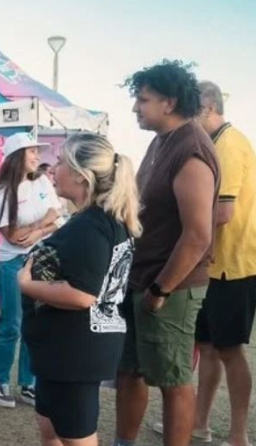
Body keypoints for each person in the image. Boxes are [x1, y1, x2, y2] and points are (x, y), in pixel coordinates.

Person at [114, 61, 220, 446]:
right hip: (143, 279)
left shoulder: (191, 150)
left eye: (142, 100)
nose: (135, 108)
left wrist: (161, 290)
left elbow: (197, 235)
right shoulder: (162, 141)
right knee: (130, 371)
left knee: (173, 380)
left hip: (169, 286)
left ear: (169, 102)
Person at [19, 133, 142, 446]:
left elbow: (81, 295)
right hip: (66, 351)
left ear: (79, 174)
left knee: (77, 437)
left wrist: (27, 285)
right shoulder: (105, 221)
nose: (53, 169)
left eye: (60, 162)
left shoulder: (91, 226)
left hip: (74, 353)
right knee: (52, 429)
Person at [152, 81, 256, 446]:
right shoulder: (221, 142)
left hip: (231, 264)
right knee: (209, 346)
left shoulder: (227, 146)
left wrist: (180, 231)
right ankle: (199, 423)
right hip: (217, 264)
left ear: (208, 109)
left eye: (190, 110)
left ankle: (239, 434)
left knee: (229, 349)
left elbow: (223, 213)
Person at [0, 132, 64, 409]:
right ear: (17, 156)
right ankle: (1, 382)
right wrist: (42, 226)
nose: (37, 156)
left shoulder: (42, 181)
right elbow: (14, 236)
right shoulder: (2, 191)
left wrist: (37, 229)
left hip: (41, 263)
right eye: (31, 151)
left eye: (36, 151)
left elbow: (58, 218)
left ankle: (28, 384)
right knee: (11, 325)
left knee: (36, 325)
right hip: (13, 265)